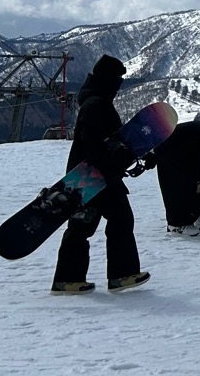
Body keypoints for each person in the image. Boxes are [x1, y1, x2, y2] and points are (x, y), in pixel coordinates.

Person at [51, 54, 149, 294]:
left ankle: (69, 280)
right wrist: (116, 156)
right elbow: (95, 141)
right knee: (112, 221)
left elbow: (111, 140)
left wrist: (129, 156)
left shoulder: (96, 101)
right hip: (94, 174)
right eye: (117, 79)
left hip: (91, 174)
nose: (119, 84)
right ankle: (120, 275)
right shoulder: (96, 104)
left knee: (88, 225)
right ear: (108, 79)